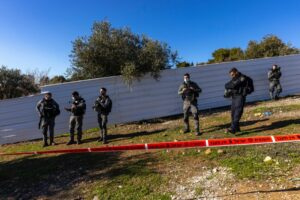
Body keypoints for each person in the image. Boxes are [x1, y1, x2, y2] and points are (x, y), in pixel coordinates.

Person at [224, 68, 252, 134]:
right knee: (233, 113)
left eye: (233, 74)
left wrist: (231, 85)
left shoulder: (242, 78)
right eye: (231, 75)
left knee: (237, 112)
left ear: (236, 72)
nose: (232, 76)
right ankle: (237, 128)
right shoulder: (234, 78)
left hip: (240, 96)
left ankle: (233, 128)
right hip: (234, 97)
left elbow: (234, 85)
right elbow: (226, 85)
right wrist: (231, 85)